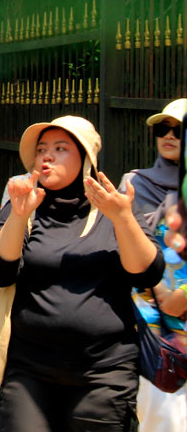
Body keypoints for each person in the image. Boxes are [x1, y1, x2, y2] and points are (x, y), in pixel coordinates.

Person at [0, 115, 163, 430]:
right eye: (41, 149)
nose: (47, 156)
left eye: (60, 148)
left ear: (85, 159)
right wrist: (19, 215)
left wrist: (122, 218)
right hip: (29, 371)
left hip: (103, 373)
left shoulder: (114, 208)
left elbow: (147, 274)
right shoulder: (24, 205)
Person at [119, 99, 187, 432]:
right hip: (151, 320)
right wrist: (161, 293)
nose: (169, 136)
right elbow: (122, 243)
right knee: (161, 417)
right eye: (162, 129)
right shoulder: (135, 184)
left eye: (179, 129)